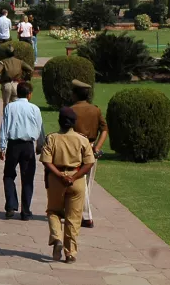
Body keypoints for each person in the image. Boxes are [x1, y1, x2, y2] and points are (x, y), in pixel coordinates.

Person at [40, 107, 96, 263]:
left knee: (53, 211)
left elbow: (46, 161)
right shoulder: (82, 139)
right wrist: (73, 177)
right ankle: (70, 253)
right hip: (76, 179)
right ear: (74, 123)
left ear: (59, 121)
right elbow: (89, 162)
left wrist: (60, 176)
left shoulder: (52, 138)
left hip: (56, 179)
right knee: (73, 218)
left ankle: (57, 238)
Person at [0, 82, 45, 220]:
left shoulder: (10, 107)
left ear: (17, 93)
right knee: (28, 177)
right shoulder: (34, 109)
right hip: (28, 146)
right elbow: (39, 128)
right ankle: (25, 211)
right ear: (29, 94)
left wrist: (2, 147)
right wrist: (40, 145)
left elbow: (4, 127)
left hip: (13, 145)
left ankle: (11, 205)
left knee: (8, 175)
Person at [69, 80, 108, 228]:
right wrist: (97, 146)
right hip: (91, 148)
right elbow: (104, 130)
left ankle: (86, 216)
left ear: (75, 94)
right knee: (87, 184)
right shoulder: (95, 110)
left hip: (76, 149)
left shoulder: (71, 110)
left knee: (79, 182)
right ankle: (80, 212)